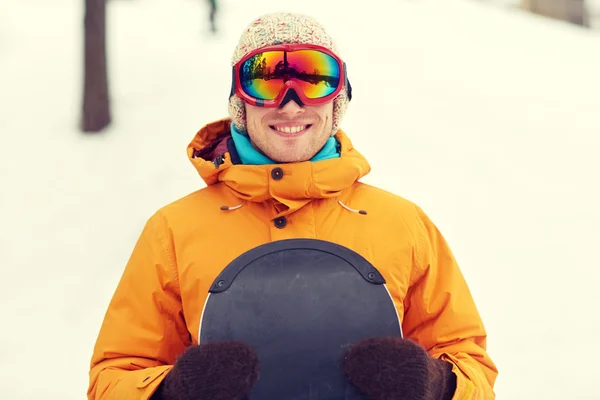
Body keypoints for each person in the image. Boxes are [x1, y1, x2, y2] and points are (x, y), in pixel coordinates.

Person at [87, 12, 498, 400]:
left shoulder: (403, 225)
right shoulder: (174, 231)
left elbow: (471, 366)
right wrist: (173, 390)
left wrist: (436, 384)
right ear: (239, 102)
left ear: (338, 100)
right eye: (265, 82)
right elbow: (112, 377)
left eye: (314, 79)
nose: (290, 103)